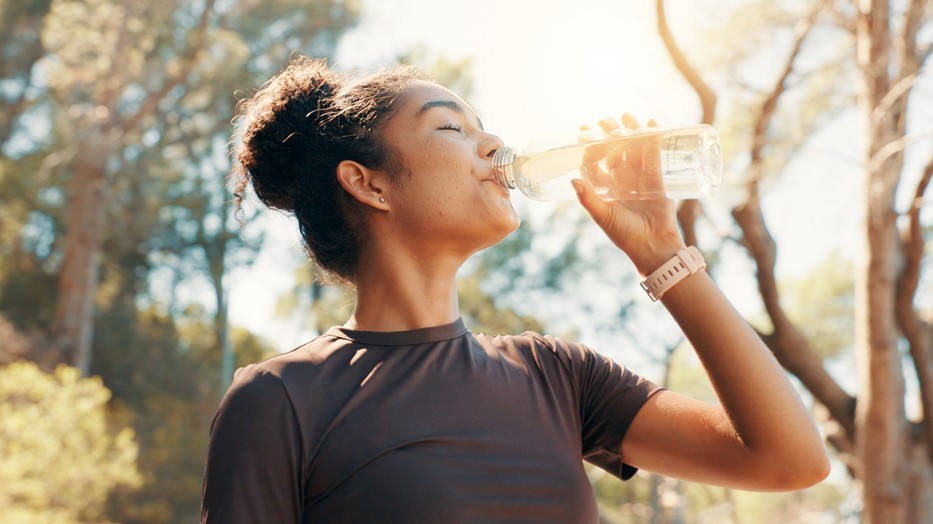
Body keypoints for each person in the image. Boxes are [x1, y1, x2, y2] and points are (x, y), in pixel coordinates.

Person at [200, 56, 829, 523]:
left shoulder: (558, 375)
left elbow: (789, 460)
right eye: (451, 129)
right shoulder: (281, 400)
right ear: (369, 184)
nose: (494, 144)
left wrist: (664, 255)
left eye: (485, 127)